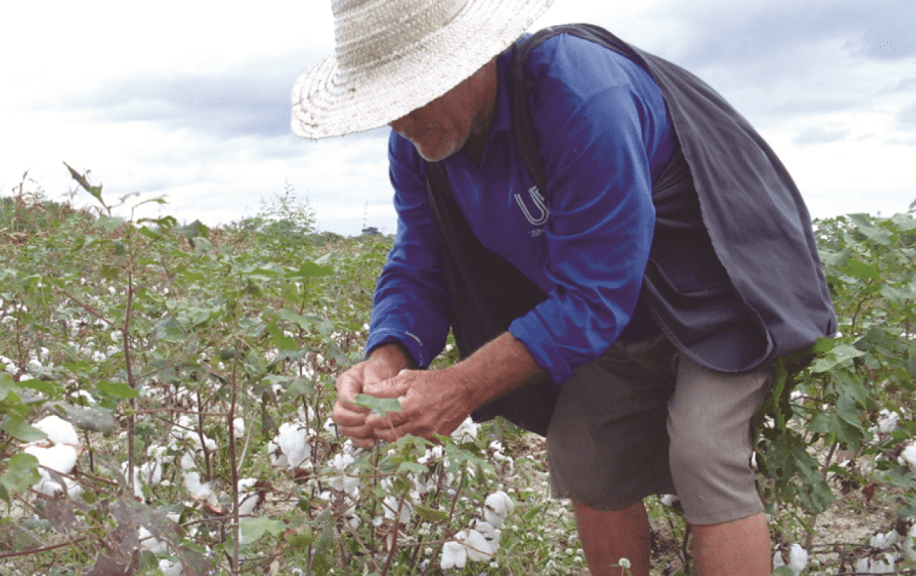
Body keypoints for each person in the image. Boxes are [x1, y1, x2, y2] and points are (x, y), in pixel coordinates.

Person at [291, 0, 837, 574]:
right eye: (385, 104)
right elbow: (421, 260)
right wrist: (386, 357)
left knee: (705, 453)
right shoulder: (418, 145)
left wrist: (461, 386)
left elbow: (593, 294)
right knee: (585, 456)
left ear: (474, 58)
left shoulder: (580, 94)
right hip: (620, 315)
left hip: (722, 295)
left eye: (411, 94)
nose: (399, 119)